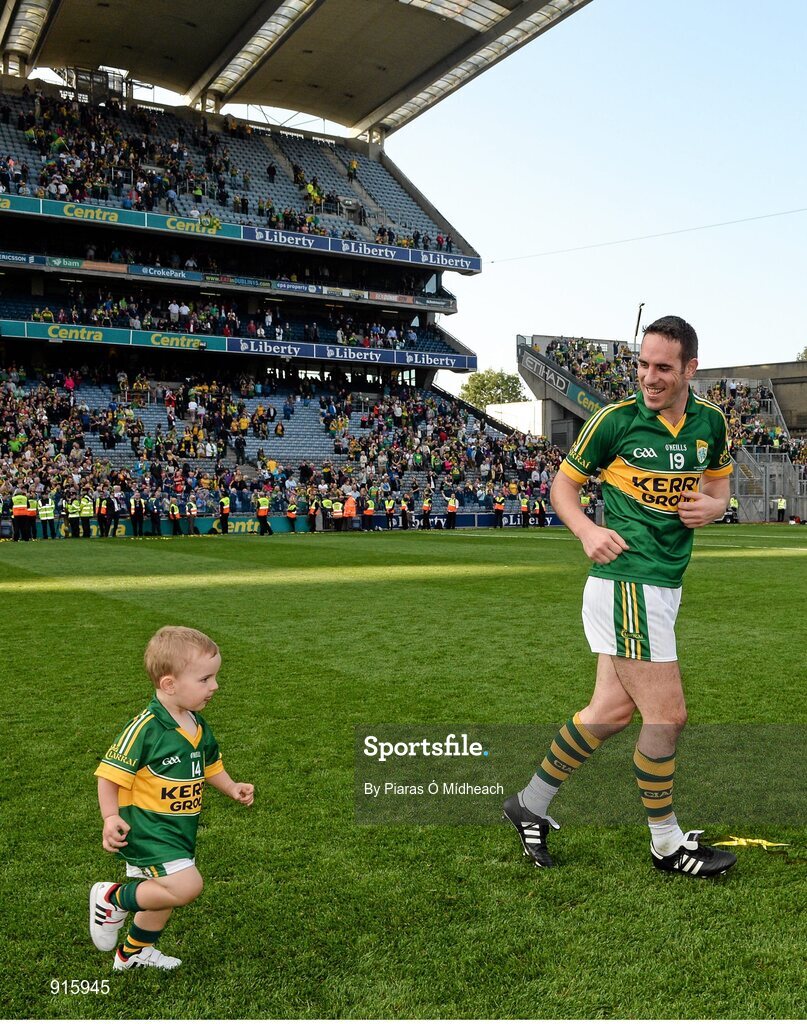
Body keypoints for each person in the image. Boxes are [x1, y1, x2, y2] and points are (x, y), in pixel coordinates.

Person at [503, 315, 737, 878]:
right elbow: (563, 485)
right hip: (628, 582)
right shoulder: (615, 421)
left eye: (662, 367)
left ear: (689, 369)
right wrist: (586, 530)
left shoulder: (711, 423)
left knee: (608, 713)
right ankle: (667, 845)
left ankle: (528, 804)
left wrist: (715, 506)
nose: (649, 377)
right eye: (642, 364)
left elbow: (719, 487)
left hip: (664, 584)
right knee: (668, 716)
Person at [90, 626, 254, 970]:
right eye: (206, 679)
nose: (215, 686)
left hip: (178, 830)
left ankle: (133, 954)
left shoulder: (195, 723)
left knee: (161, 895)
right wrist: (110, 817)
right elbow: (109, 774)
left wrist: (231, 786)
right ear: (169, 684)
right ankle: (111, 898)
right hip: (147, 829)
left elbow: (209, 765)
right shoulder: (147, 727)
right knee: (186, 886)